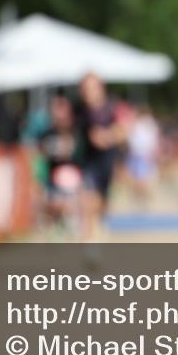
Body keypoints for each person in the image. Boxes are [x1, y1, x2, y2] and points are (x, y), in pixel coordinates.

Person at [75, 72, 127, 239]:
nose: (88, 92)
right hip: (88, 163)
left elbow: (123, 129)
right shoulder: (79, 110)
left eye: (91, 87)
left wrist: (107, 136)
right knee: (88, 200)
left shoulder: (112, 107)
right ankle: (89, 242)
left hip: (108, 162)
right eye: (85, 88)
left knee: (103, 202)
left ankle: (100, 223)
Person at [36, 92, 83, 234]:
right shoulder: (47, 133)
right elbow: (40, 155)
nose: (58, 113)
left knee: (68, 209)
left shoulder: (77, 131)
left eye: (61, 108)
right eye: (56, 108)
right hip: (52, 180)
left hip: (73, 180)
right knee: (52, 208)